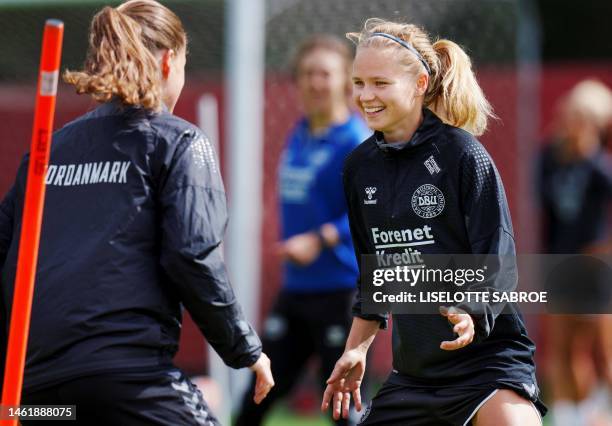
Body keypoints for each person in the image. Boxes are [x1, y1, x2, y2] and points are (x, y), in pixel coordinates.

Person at [0, 1, 273, 425]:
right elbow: (192, 255)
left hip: (36, 395)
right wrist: (245, 349)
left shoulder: (47, 151)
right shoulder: (178, 141)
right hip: (130, 383)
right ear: (169, 62)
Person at [320, 19, 547, 425]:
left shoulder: (463, 156)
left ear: (420, 84)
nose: (366, 96)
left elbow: (498, 260)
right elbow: (376, 277)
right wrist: (356, 348)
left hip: (488, 365)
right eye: (359, 83)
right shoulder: (358, 168)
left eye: (380, 83)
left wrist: (471, 311)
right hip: (415, 376)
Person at [235, 35, 370, 426]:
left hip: (342, 291)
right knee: (254, 399)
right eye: (308, 73)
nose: (315, 82)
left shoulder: (356, 141)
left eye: (325, 73)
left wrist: (320, 238)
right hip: (296, 289)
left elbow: (371, 212)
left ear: (345, 81)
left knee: (345, 411)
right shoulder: (299, 133)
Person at [537, 80, 612, 426]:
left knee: (600, 350)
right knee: (562, 349)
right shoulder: (549, 160)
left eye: (584, 117)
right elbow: (548, 217)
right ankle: (570, 417)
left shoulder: (600, 167)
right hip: (561, 262)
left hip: (593, 264)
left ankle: (597, 412)